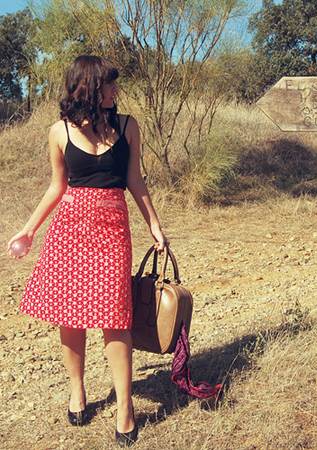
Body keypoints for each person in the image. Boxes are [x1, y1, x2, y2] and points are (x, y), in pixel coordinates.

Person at [6, 54, 169, 447]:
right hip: (70, 230)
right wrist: (28, 230)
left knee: (116, 316)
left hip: (112, 230)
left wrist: (155, 225)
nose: (116, 91)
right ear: (90, 88)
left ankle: (125, 407)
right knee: (71, 314)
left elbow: (135, 180)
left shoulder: (128, 126)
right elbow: (56, 187)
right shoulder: (58, 132)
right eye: (110, 85)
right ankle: (77, 390)